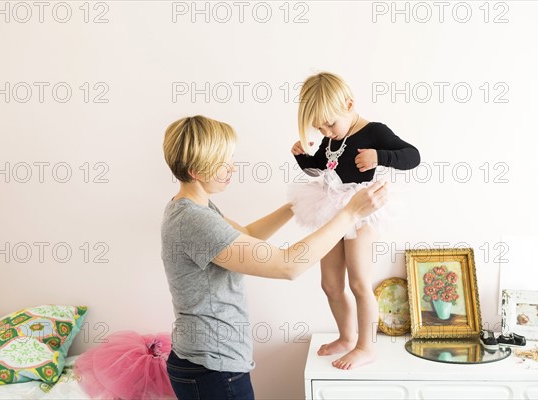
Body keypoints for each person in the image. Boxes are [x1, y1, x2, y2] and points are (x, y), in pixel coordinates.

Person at [161, 115, 387, 399]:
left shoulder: (194, 207)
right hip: (212, 370)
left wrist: (298, 204)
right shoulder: (194, 221)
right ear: (196, 170)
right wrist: (350, 213)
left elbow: (247, 234)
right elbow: (287, 266)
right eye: (222, 163)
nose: (232, 168)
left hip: (207, 363)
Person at [289, 72, 420, 370]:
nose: (326, 131)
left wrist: (379, 156)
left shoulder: (374, 131)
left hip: (361, 211)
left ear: (349, 104)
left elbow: (412, 155)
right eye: (319, 127)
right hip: (332, 211)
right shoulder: (331, 138)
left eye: (329, 123)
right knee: (330, 284)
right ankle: (347, 337)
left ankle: (366, 346)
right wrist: (302, 159)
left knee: (359, 281)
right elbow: (322, 169)